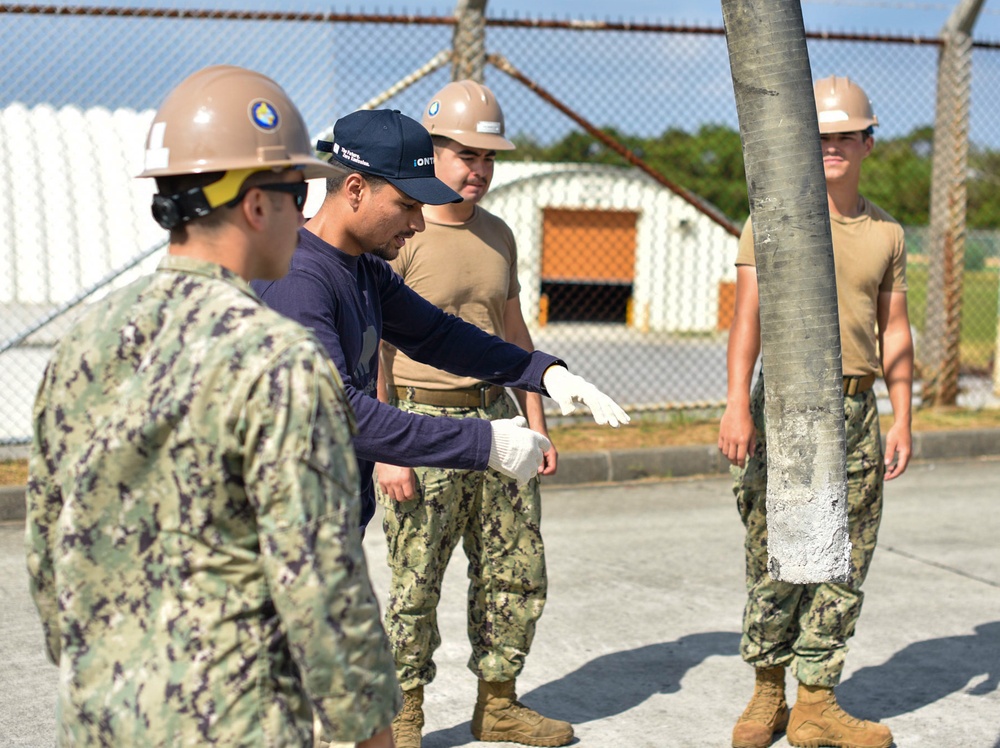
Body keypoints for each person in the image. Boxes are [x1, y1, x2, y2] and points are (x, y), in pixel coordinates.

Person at [25, 65, 399, 748]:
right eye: (297, 191)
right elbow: (318, 575)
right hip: (231, 723)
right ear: (257, 205)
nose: (304, 213)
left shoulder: (82, 343)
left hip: (99, 718)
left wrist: (100, 672)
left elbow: (48, 543)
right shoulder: (278, 359)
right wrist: (369, 726)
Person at [251, 107, 628, 537]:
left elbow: (438, 335)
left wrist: (543, 373)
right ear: (355, 188)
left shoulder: (362, 268)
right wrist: (484, 444)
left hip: (329, 525)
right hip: (286, 532)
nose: (417, 223)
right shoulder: (296, 279)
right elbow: (341, 414)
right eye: (407, 205)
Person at [718, 75, 913, 748]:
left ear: (866, 143)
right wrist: (736, 408)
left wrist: (905, 417)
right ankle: (766, 697)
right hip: (785, 408)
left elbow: (897, 331)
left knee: (845, 559)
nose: (831, 148)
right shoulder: (771, 217)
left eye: (844, 137)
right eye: (820, 138)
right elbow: (746, 322)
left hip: (857, 410)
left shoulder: (886, 232)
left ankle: (816, 705)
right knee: (775, 552)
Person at [372, 81, 568, 748]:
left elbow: (513, 335)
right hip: (422, 425)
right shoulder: (403, 231)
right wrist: (388, 448)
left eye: (488, 157)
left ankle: (499, 704)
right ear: (433, 154)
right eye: (465, 154)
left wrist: (535, 422)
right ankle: (404, 716)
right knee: (415, 580)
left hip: (496, 422)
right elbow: (379, 346)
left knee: (514, 569)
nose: (478, 169)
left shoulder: (499, 234)